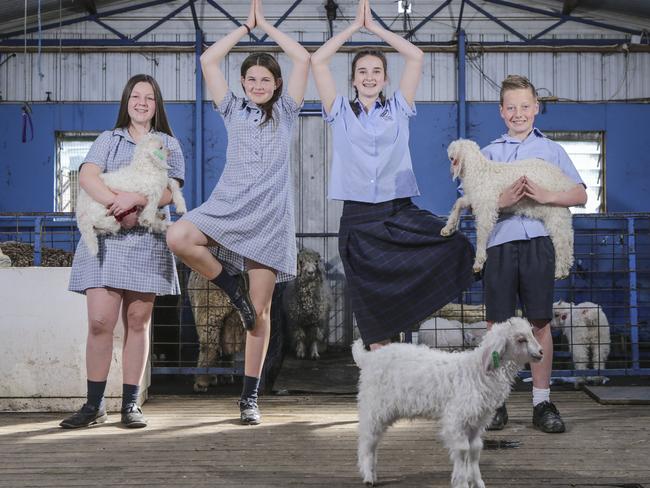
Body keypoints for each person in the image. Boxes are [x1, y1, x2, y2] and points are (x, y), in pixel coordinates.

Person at [165, 0, 309, 425]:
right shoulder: (232, 110)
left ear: (278, 84)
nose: (258, 84)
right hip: (228, 207)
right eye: (251, 78)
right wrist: (245, 28)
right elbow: (209, 59)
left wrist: (269, 26)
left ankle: (249, 397)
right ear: (243, 83)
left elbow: (302, 57)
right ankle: (231, 286)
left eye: (266, 78)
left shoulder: (286, 112)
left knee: (259, 315)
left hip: (268, 216)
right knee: (179, 236)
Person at [311, 0, 475, 350]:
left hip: (398, 213)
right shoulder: (339, 111)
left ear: (385, 78)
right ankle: (383, 395)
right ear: (353, 80)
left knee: (456, 243)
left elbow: (414, 56)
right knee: (375, 323)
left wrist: (377, 29)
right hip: (358, 221)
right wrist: (354, 27)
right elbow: (317, 60)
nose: (369, 77)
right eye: (362, 72)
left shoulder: (399, 108)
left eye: (376, 71)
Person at [61, 74, 185, 429]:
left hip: (145, 238)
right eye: (135, 96)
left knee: (137, 321)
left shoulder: (168, 143)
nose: (142, 103)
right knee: (100, 322)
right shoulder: (107, 139)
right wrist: (120, 205)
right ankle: (94, 405)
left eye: (149, 97)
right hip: (106, 236)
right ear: (126, 102)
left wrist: (139, 200)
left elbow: (170, 188)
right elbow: (87, 177)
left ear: (157, 104)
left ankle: (131, 404)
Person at [481, 75, 588, 433]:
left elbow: (580, 195)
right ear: (501, 112)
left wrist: (545, 195)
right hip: (499, 243)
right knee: (497, 326)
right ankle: (496, 403)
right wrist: (502, 201)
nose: (518, 113)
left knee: (540, 322)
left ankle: (542, 404)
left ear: (536, 108)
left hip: (539, 242)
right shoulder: (489, 153)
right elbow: (472, 206)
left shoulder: (552, 151)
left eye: (525, 106)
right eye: (511, 107)